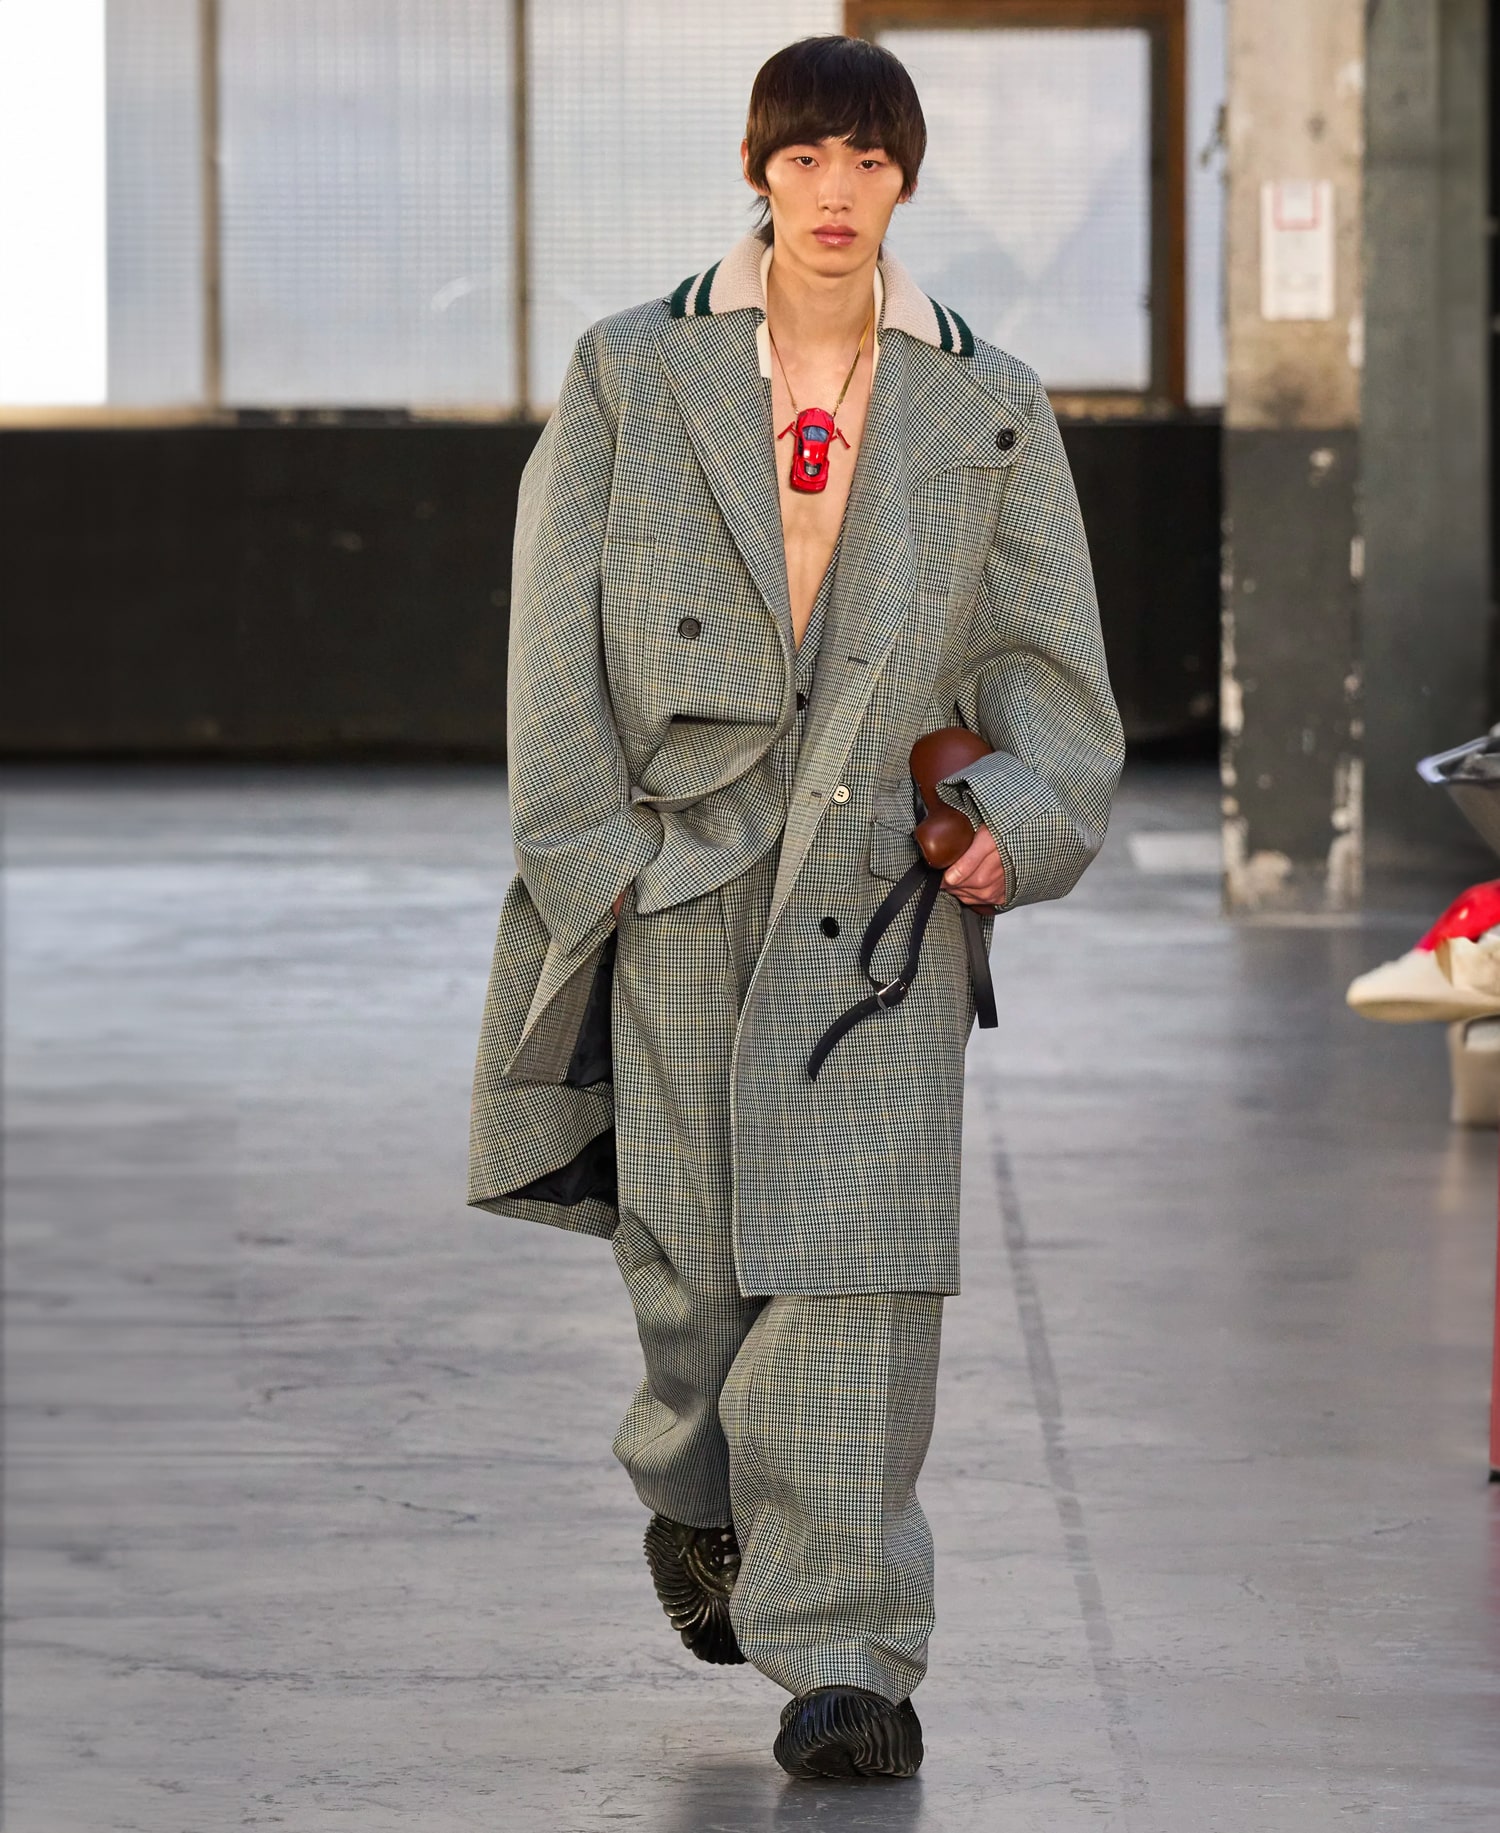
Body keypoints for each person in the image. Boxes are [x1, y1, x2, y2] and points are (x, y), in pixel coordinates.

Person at [469, 34, 1124, 1781]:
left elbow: (1048, 669)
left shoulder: (988, 401)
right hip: (683, 869)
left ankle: (847, 1654)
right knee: (693, 1266)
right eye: (807, 158)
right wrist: (594, 858)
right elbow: (550, 632)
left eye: (871, 161)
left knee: (859, 1269)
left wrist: (1014, 824)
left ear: (906, 180)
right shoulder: (633, 370)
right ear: (758, 171)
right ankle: (701, 1493)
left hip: (875, 900)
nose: (838, 193)